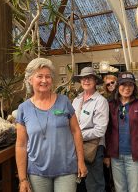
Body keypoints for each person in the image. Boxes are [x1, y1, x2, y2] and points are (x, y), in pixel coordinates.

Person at [15, 58, 87, 192]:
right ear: (30, 79)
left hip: (66, 168)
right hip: (37, 171)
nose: (44, 80)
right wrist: (22, 179)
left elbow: (76, 131)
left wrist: (81, 161)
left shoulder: (64, 102)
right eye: (39, 76)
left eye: (48, 76)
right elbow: (21, 145)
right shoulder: (23, 109)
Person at [104, 72, 138, 192]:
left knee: (134, 189)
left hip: (134, 157)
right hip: (116, 156)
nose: (127, 88)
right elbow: (107, 132)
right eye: (123, 85)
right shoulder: (111, 105)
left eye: (130, 85)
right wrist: (107, 155)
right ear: (117, 86)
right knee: (120, 188)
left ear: (134, 87)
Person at [72, 67, 109, 192]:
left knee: (94, 184)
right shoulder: (76, 100)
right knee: (79, 183)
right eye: (83, 78)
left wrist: (77, 135)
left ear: (95, 81)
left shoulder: (100, 101)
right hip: (76, 146)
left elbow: (100, 130)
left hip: (93, 148)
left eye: (90, 78)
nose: (86, 80)